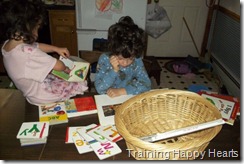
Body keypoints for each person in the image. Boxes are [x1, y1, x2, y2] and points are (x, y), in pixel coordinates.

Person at [0, 0, 88, 105]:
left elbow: (36, 46)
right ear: (27, 28)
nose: (37, 32)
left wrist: (56, 49)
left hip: (31, 90)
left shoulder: (8, 45)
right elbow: (58, 65)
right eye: (36, 28)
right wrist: (65, 69)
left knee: (54, 75)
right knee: (81, 83)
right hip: (42, 96)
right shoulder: (29, 54)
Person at [94, 16, 151, 97]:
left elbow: (147, 84)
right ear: (113, 51)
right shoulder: (104, 59)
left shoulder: (136, 60)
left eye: (130, 59)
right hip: (108, 99)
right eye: (120, 58)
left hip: (128, 97)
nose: (125, 63)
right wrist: (114, 71)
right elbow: (100, 89)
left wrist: (122, 91)